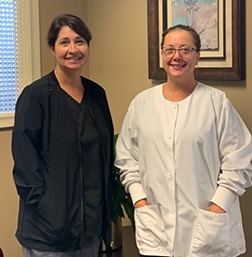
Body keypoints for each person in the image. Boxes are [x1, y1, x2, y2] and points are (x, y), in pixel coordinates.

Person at [115, 24, 252, 257]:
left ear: (197, 56)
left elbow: (239, 160)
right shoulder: (142, 104)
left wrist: (218, 205)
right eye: (169, 49)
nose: (177, 56)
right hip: (156, 224)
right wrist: (139, 199)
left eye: (186, 49)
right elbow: (127, 158)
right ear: (162, 55)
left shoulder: (216, 103)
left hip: (208, 222)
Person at [12, 14, 114, 257]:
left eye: (80, 41)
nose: (73, 49)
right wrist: (47, 207)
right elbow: (26, 166)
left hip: (89, 229)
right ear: (52, 48)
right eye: (64, 42)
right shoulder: (35, 96)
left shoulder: (97, 95)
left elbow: (104, 156)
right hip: (47, 232)